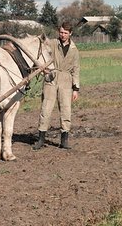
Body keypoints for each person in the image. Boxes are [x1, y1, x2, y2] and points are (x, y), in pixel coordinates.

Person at [33, 22, 80, 150]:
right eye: (61, 32)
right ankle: (41, 139)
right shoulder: (52, 43)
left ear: (70, 33)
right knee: (46, 109)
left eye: (65, 33)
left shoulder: (74, 50)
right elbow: (42, 46)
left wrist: (76, 89)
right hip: (51, 78)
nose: (63, 35)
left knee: (66, 110)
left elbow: (76, 69)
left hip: (66, 80)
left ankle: (64, 140)